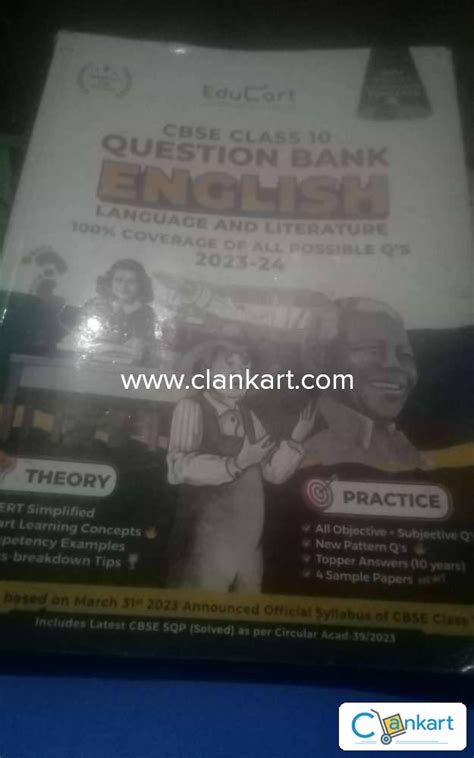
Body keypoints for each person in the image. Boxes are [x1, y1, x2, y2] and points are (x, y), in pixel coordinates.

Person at [166, 326, 316, 592]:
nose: (239, 374)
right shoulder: (191, 407)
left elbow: (272, 474)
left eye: (245, 367)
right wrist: (236, 464)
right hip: (206, 539)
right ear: (206, 370)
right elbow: (180, 467)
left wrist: (295, 439)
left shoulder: (249, 417)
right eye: (230, 365)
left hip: (248, 540)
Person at [303, 297, 429, 471]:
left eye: (405, 354)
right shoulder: (298, 446)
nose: (394, 364)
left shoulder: (406, 447)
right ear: (317, 359)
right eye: (372, 349)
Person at [75, 259, 156, 364]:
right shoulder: (94, 305)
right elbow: (85, 344)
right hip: (92, 365)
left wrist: (105, 347)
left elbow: (137, 352)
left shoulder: (146, 313)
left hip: (130, 369)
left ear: (141, 285)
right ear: (110, 282)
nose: (123, 287)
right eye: (118, 280)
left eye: (131, 282)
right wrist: (122, 349)